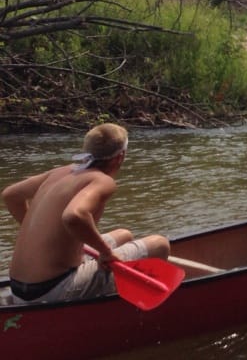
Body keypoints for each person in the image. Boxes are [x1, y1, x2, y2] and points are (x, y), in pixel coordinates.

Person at [2, 123, 171, 305]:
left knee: (124, 235)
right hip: (51, 291)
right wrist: (105, 252)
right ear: (120, 157)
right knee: (159, 244)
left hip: (19, 289)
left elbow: (10, 195)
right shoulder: (103, 181)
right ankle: (136, 310)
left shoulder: (62, 171)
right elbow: (74, 216)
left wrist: (38, 232)